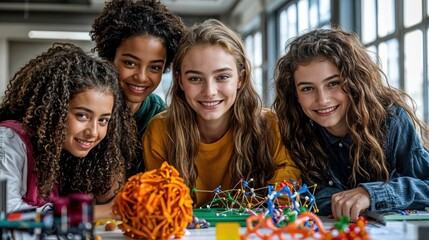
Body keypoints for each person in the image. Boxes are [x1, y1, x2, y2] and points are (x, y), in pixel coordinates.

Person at [273, 28, 429, 221]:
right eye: (307, 88)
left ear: (354, 82)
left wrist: (370, 194)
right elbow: (305, 195)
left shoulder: (391, 121)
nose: (322, 100)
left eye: (333, 83)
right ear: (295, 95)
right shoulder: (295, 130)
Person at [143, 19, 301, 207]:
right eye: (195, 78)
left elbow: (284, 200)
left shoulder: (271, 126)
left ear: (240, 79)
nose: (209, 91)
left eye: (222, 77)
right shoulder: (160, 131)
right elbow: (157, 204)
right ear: (180, 80)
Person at [0, 43, 137, 220]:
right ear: (52, 109)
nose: (93, 132)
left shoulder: (66, 154)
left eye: (103, 120)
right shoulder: (8, 140)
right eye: (82, 116)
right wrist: (102, 211)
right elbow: (5, 214)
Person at [90, 0, 187, 176]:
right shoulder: (87, 105)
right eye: (130, 63)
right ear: (110, 57)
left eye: (155, 67)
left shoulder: (157, 116)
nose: (141, 77)